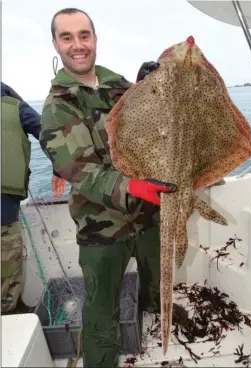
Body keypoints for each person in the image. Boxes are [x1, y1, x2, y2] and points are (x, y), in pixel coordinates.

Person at [39, 8, 177, 367]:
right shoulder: (57, 107)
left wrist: (147, 86)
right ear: (56, 44)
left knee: (156, 287)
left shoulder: (117, 84)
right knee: (101, 315)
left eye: (84, 35)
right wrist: (133, 186)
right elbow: (79, 169)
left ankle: (152, 327)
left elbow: (146, 124)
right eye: (67, 37)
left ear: (95, 39)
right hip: (101, 230)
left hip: (147, 218)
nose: (77, 45)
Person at [1, 81, 66, 315]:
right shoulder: (13, 105)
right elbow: (49, 134)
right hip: (3, 216)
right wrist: (60, 168)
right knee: (7, 282)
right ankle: (13, 319)